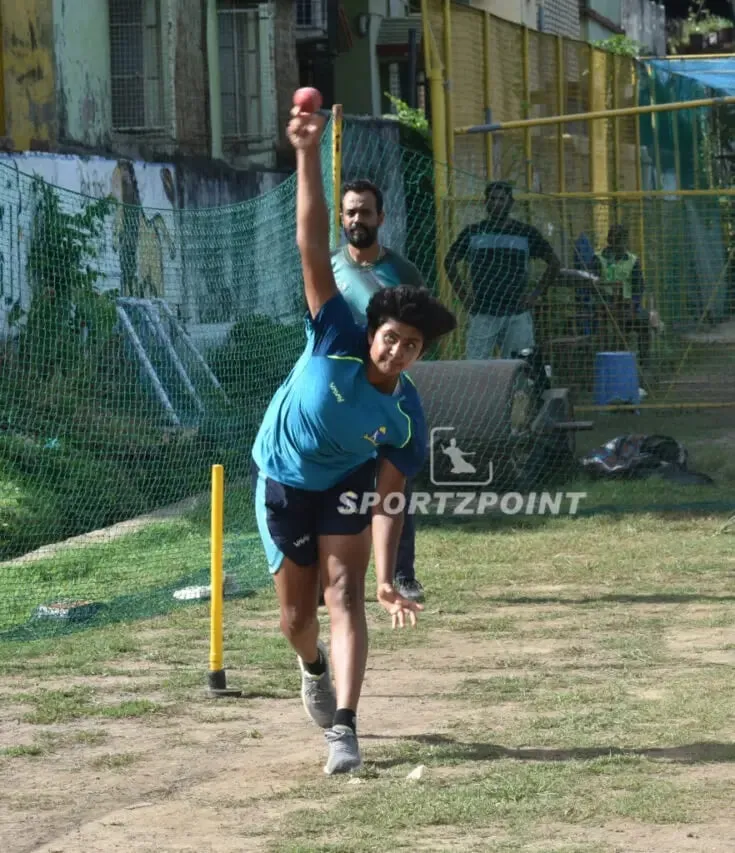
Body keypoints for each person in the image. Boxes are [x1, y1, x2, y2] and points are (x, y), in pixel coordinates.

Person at [251, 101, 457, 776]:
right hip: (282, 478)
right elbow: (312, 245)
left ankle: (344, 728)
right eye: (392, 338)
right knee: (296, 618)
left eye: (412, 345)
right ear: (373, 334)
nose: (398, 351)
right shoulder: (335, 332)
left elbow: (388, 500)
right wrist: (307, 152)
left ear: (419, 354)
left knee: (342, 593)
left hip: (342, 483)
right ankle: (311, 667)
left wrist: (390, 576)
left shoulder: (403, 417)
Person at [330, 178, 427, 603]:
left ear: (380, 218)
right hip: (342, 393)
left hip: (388, 392)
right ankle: (330, 574)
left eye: (365, 212)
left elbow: (419, 330)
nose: (357, 219)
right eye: (350, 212)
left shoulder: (402, 272)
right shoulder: (329, 268)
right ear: (341, 218)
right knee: (337, 480)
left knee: (394, 481)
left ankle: (401, 574)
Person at [444, 180, 560, 359]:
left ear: (510, 203)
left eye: (501, 199)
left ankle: (518, 388)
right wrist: (464, 296)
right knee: (475, 366)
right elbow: (449, 261)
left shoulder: (525, 233)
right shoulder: (473, 232)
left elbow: (554, 263)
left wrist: (536, 294)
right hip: (483, 311)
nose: (496, 203)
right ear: (486, 203)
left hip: (516, 312)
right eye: (492, 199)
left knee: (520, 365)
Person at [589, 224, 653, 369]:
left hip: (627, 308)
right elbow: (592, 286)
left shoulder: (632, 260)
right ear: (610, 240)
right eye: (616, 240)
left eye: (623, 240)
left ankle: (644, 365)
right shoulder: (598, 259)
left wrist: (634, 303)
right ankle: (606, 363)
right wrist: (606, 301)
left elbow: (638, 286)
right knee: (605, 329)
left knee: (643, 321)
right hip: (604, 308)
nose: (620, 244)